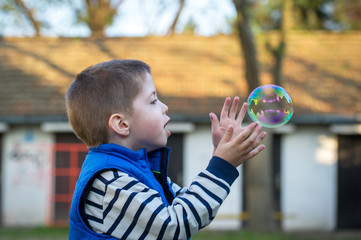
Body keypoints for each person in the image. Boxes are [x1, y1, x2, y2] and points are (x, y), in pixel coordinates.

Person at [66, 59, 266, 240]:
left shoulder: (137, 171)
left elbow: (190, 209)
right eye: (153, 101)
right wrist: (222, 167)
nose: (165, 107)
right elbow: (174, 227)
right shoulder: (110, 182)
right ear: (122, 124)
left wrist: (219, 154)